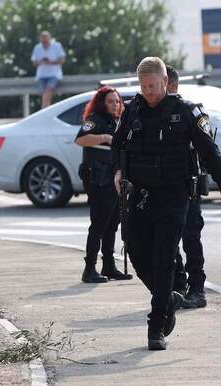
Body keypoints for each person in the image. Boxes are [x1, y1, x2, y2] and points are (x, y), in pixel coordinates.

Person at [112, 57, 221, 350]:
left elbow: (211, 153)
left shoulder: (186, 112)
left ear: (166, 83)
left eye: (154, 86)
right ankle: (166, 295)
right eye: (144, 87)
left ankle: (156, 325)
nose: (149, 92)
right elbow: (118, 145)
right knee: (135, 249)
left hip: (175, 194)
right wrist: (117, 171)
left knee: (163, 254)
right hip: (142, 194)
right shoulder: (132, 110)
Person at [76, 86, 132, 283]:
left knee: (112, 224)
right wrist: (105, 137)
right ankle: (89, 268)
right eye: (110, 101)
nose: (115, 104)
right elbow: (80, 139)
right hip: (98, 179)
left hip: (115, 178)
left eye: (117, 101)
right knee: (99, 224)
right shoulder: (95, 121)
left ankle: (109, 265)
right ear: (101, 103)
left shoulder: (119, 121)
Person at [166, 65, 209, 309]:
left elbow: (206, 148)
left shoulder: (191, 110)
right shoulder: (151, 110)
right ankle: (178, 286)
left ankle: (197, 289)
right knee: (166, 240)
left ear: (171, 84)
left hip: (187, 185)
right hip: (162, 187)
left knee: (191, 238)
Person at [30, 31, 65, 109]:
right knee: (45, 93)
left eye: (46, 41)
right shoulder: (37, 47)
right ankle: (46, 110)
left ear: (49, 39)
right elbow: (34, 62)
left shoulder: (57, 46)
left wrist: (51, 62)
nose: (44, 44)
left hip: (54, 74)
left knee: (48, 90)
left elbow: (62, 60)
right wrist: (40, 61)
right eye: (43, 42)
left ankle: (43, 109)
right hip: (41, 75)